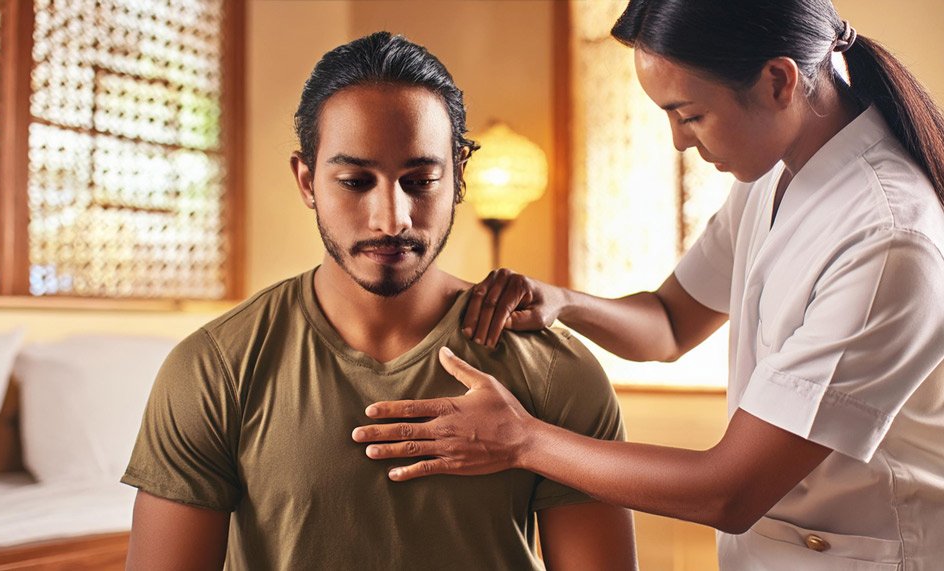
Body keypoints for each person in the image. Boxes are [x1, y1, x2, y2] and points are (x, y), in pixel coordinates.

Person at [351, 2, 944, 569]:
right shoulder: (772, 177)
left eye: (689, 114)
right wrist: (562, 302)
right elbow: (667, 323)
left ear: (778, 81)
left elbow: (729, 493)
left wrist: (520, 441)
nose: (679, 141)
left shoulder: (890, 238)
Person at [121, 31, 637, 570]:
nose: (392, 219)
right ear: (307, 181)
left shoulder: (556, 370)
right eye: (354, 180)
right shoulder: (214, 370)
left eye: (420, 180)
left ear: (458, 177)